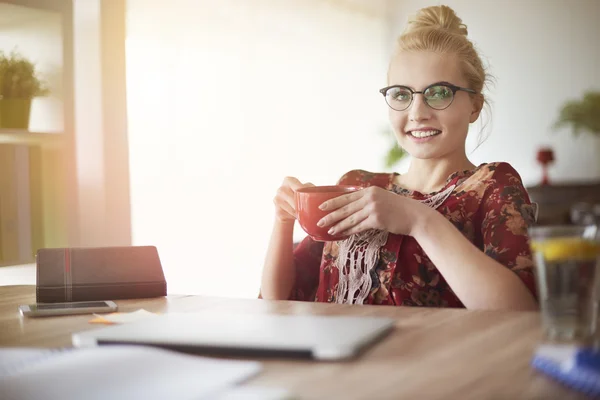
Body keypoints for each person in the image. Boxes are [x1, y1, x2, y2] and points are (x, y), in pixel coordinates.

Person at [260, 5, 538, 310]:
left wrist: (418, 220)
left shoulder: (493, 186)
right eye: (402, 95)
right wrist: (283, 221)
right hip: (332, 356)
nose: (417, 113)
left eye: (439, 93)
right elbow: (277, 303)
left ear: (474, 106)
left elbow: (519, 312)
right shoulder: (355, 185)